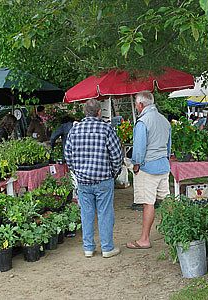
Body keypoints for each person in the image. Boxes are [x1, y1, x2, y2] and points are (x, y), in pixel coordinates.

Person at [64, 99, 122, 258]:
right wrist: (113, 172)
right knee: (105, 213)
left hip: (83, 180)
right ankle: (107, 248)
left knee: (86, 214)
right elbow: (117, 155)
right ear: (99, 112)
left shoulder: (74, 131)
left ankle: (88, 248)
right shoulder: (106, 129)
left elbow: (67, 156)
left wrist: (77, 172)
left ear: (84, 112)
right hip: (103, 179)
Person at [126, 91, 171, 250]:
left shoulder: (143, 122)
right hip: (163, 165)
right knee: (166, 201)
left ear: (140, 105)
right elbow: (168, 147)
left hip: (148, 168)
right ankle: (174, 231)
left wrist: (136, 165)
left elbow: (138, 149)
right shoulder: (165, 121)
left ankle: (144, 239)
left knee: (148, 203)